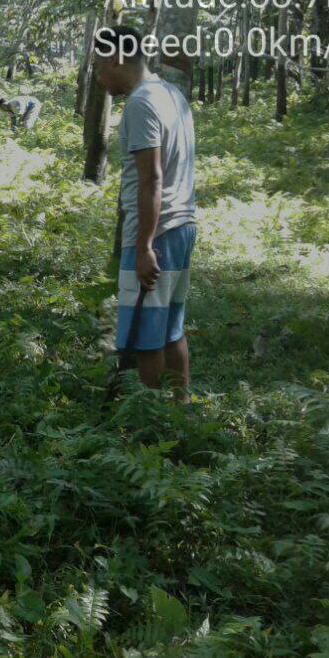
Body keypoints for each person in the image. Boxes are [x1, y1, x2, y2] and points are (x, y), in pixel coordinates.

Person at [93, 25, 197, 401]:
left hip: (159, 231)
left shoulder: (140, 102)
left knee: (145, 338)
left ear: (117, 57)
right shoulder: (172, 94)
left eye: (100, 66)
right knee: (171, 327)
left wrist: (144, 247)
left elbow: (152, 178)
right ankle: (181, 408)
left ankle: (155, 421)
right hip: (183, 225)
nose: (99, 77)